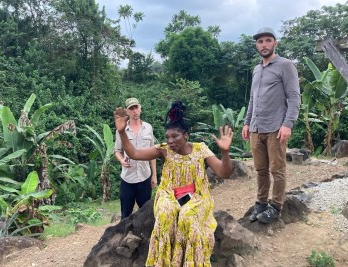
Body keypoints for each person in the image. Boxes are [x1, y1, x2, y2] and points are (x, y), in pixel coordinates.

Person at [113, 101, 233, 267]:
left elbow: (224, 173)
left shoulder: (201, 149)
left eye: (174, 136)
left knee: (188, 216)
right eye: (167, 137)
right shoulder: (164, 150)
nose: (170, 141)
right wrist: (122, 132)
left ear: (185, 135)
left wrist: (225, 152)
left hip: (197, 195)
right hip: (169, 193)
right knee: (165, 213)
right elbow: (134, 153)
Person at [241, 27, 301, 224]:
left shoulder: (285, 66)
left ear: (275, 43)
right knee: (260, 169)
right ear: (256, 45)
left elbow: (294, 97)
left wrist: (288, 124)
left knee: (277, 169)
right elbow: (252, 98)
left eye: (268, 40)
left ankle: (276, 206)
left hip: (276, 127)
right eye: (260, 42)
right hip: (257, 128)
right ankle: (261, 203)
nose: (264, 44)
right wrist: (247, 122)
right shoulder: (257, 69)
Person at [114, 97, 157, 220]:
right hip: (128, 178)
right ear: (127, 112)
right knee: (125, 215)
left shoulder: (148, 128)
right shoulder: (121, 130)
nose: (134, 111)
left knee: (146, 215)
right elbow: (117, 151)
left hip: (144, 177)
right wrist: (122, 160)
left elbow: (152, 153)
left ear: (140, 109)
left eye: (136, 107)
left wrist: (154, 175)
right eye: (131, 109)